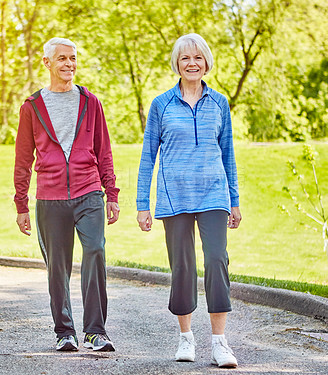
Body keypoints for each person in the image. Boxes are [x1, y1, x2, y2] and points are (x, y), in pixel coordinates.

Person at [136, 33, 241, 368]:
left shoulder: (220, 103)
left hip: (213, 194)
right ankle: (185, 338)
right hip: (173, 196)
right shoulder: (160, 105)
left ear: (206, 62)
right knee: (182, 267)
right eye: (185, 59)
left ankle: (220, 343)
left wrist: (234, 200)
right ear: (177, 64)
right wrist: (142, 203)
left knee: (216, 261)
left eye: (197, 58)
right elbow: (147, 156)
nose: (192, 63)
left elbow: (228, 155)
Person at [14, 37, 120, 352]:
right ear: (47, 63)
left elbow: (104, 150)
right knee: (57, 266)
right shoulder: (32, 107)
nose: (69, 65)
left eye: (72, 58)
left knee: (95, 252)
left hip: (89, 193)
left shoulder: (91, 102)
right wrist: (21, 204)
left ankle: (95, 331)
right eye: (62, 58)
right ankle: (65, 332)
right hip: (50, 197)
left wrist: (110, 192)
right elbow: (23, 159)